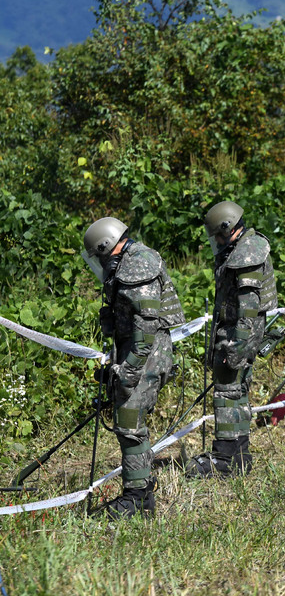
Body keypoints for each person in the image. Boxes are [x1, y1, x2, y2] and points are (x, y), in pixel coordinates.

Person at [82, 217, 184, 519]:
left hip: (147, 351)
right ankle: (138, 493)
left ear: (106, 247)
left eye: (99, 255)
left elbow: (145, 327)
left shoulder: (138, 264)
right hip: (137, 349)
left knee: (129, 422)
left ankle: (138, 498)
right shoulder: (127, 261)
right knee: (129, 421)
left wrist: (129, 369)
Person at [185, 201, 277, 478]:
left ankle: (225, 458)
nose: (216, 241)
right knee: (236, 392)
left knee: (226, 392)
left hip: (240, 329)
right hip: (240, 328)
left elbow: (248, 304)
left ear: (227, 228)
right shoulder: (245, 246)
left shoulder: (247, 250)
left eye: (218, 235)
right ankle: (239, 454)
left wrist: (237, 344)